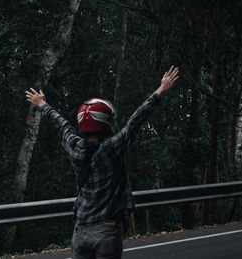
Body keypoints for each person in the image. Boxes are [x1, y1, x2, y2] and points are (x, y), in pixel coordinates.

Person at [25, 65, 179, 259]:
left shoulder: (74, 146)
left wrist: (42, 104)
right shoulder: (112, 148)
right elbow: (135, 121)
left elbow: (61, 124)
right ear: (107, 121)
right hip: (107, 230)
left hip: (80, 230)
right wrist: (161, 90)